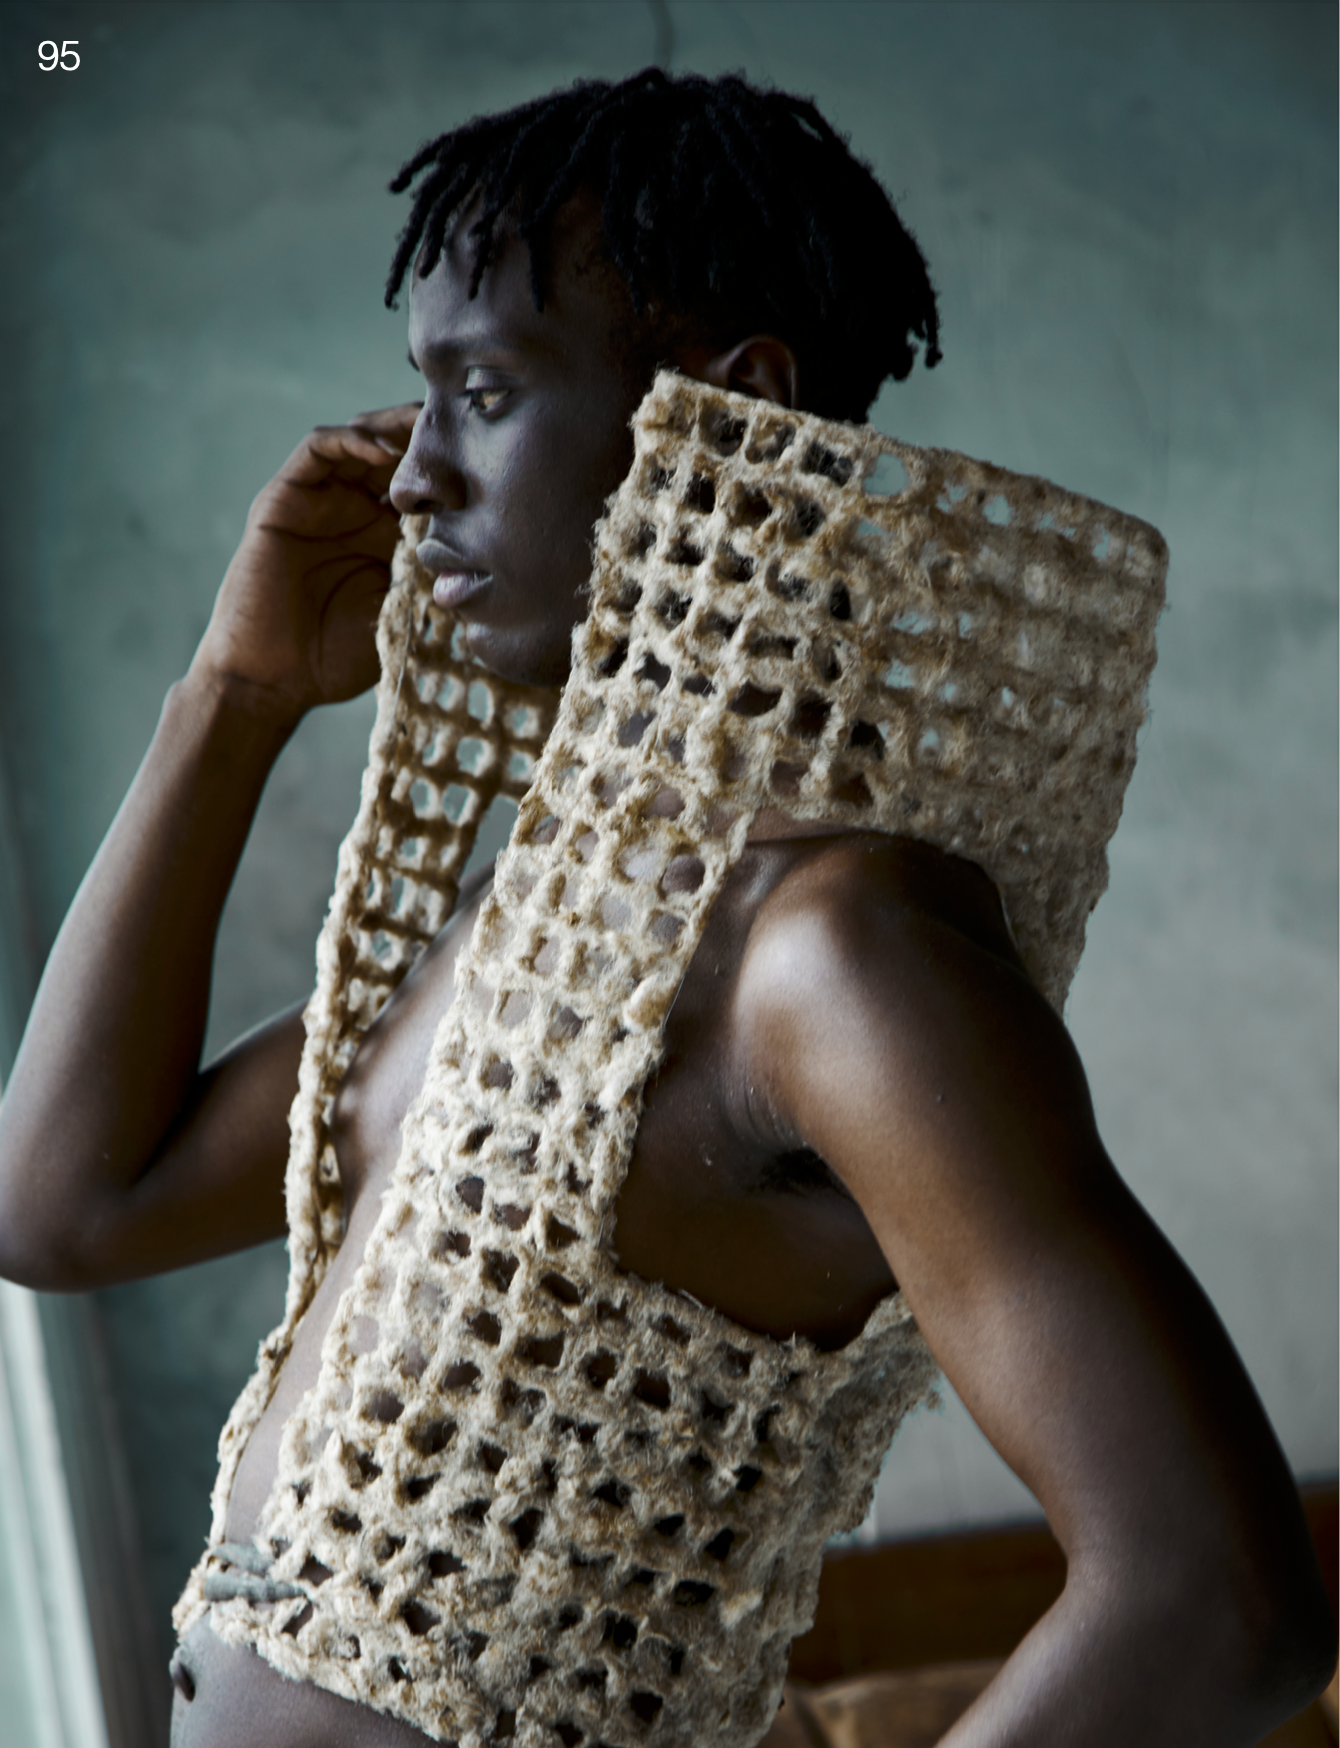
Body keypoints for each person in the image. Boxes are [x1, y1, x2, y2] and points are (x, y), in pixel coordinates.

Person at [0, 68, 1330, 1748]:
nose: (411, 478)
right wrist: (232, 697)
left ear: (731, 407)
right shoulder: (557, 929)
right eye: (421, 396)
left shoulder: (834, 957)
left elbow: (1217, 1599)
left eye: (486, 392)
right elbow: (63, 1206)